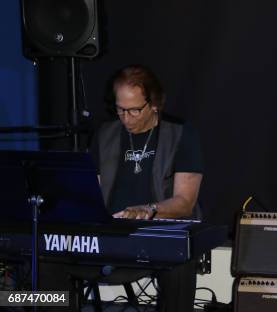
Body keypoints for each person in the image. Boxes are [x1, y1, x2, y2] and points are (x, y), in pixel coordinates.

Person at [40, 64, 204, 312]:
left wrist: (148, 210)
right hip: (107, 233)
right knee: (45, 255)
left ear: (154, 103)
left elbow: (184, 202)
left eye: (135, 110)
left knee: (181, 257)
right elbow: (90, 192)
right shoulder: (105, 133)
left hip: (153, 235)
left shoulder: (180, 134)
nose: (126, 118)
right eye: (120, 109)